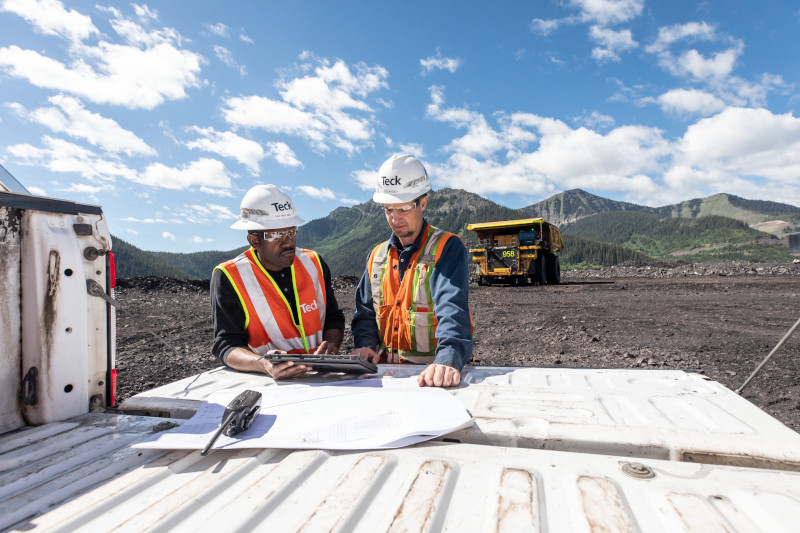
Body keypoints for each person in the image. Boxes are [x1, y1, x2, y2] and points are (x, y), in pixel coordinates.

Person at [351, 154, 473, 387]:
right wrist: (365, 345)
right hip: (385, 379)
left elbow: (452, 310)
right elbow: (366, 313)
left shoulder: (447, 248)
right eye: (388, 209)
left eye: (404, 208)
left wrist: (447, 360)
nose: (395, 218)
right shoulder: (376, 256)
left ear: (423, 203)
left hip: (432, 378)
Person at [211, 184, 345, 379]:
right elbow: (226, 344)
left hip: (321, 377)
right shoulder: (229, 276)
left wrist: (331, 344)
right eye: (276, 235)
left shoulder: (314, 263)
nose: (288, 242)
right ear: (254, 241)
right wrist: (263, 364)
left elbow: (333, 317)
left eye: (291, 232)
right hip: (269, 385)